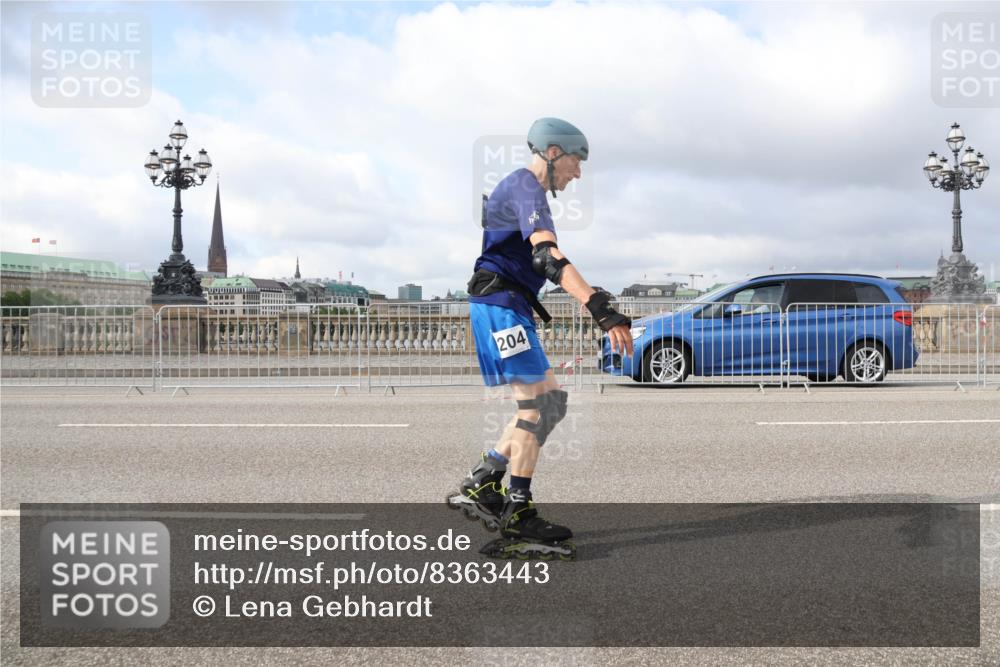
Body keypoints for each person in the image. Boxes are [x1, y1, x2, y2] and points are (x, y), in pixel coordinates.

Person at [447, 117, 634, 560]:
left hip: (504, 306)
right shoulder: (526, 186)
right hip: (501, 307)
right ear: (553, 152)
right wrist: (599, 308)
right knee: (537, 406)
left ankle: (484, 479)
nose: (579, 172)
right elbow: (546, 256)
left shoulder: (519, 188)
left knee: (550, 403)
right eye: (576, 160)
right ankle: (518, 512)